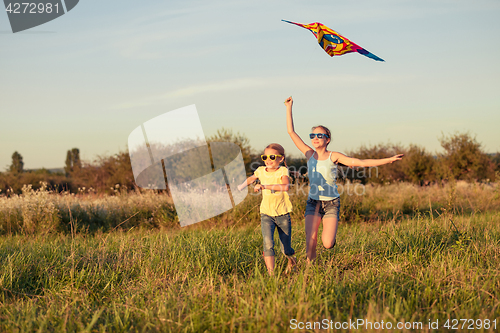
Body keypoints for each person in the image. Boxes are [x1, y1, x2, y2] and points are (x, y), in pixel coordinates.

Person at [284, 96, 403, 264]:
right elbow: (291, 132)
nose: (315, 137)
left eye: (320, 135)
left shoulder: (335, 156)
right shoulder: (309, 154)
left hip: (331, 203)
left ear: (327, 139)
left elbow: (361, 163)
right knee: (310, 240)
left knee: (327, 243)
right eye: (313, 135)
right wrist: (289, 107)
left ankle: (330, 241)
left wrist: (388, 160)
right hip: (313, 203)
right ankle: (310, 272)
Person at [237, 143, 297, 275]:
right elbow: (251, 178)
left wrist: (264, 186)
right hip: (266, 214)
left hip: (282, 214)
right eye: (265, 157)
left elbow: (285, 186)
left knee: (285, 249)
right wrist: (241, 187)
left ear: (280, 159)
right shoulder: (260, 170)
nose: (268, 160)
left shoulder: (282, 171)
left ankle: (292, 260)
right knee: (268, 243)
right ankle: (271, 275)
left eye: (272, 156)